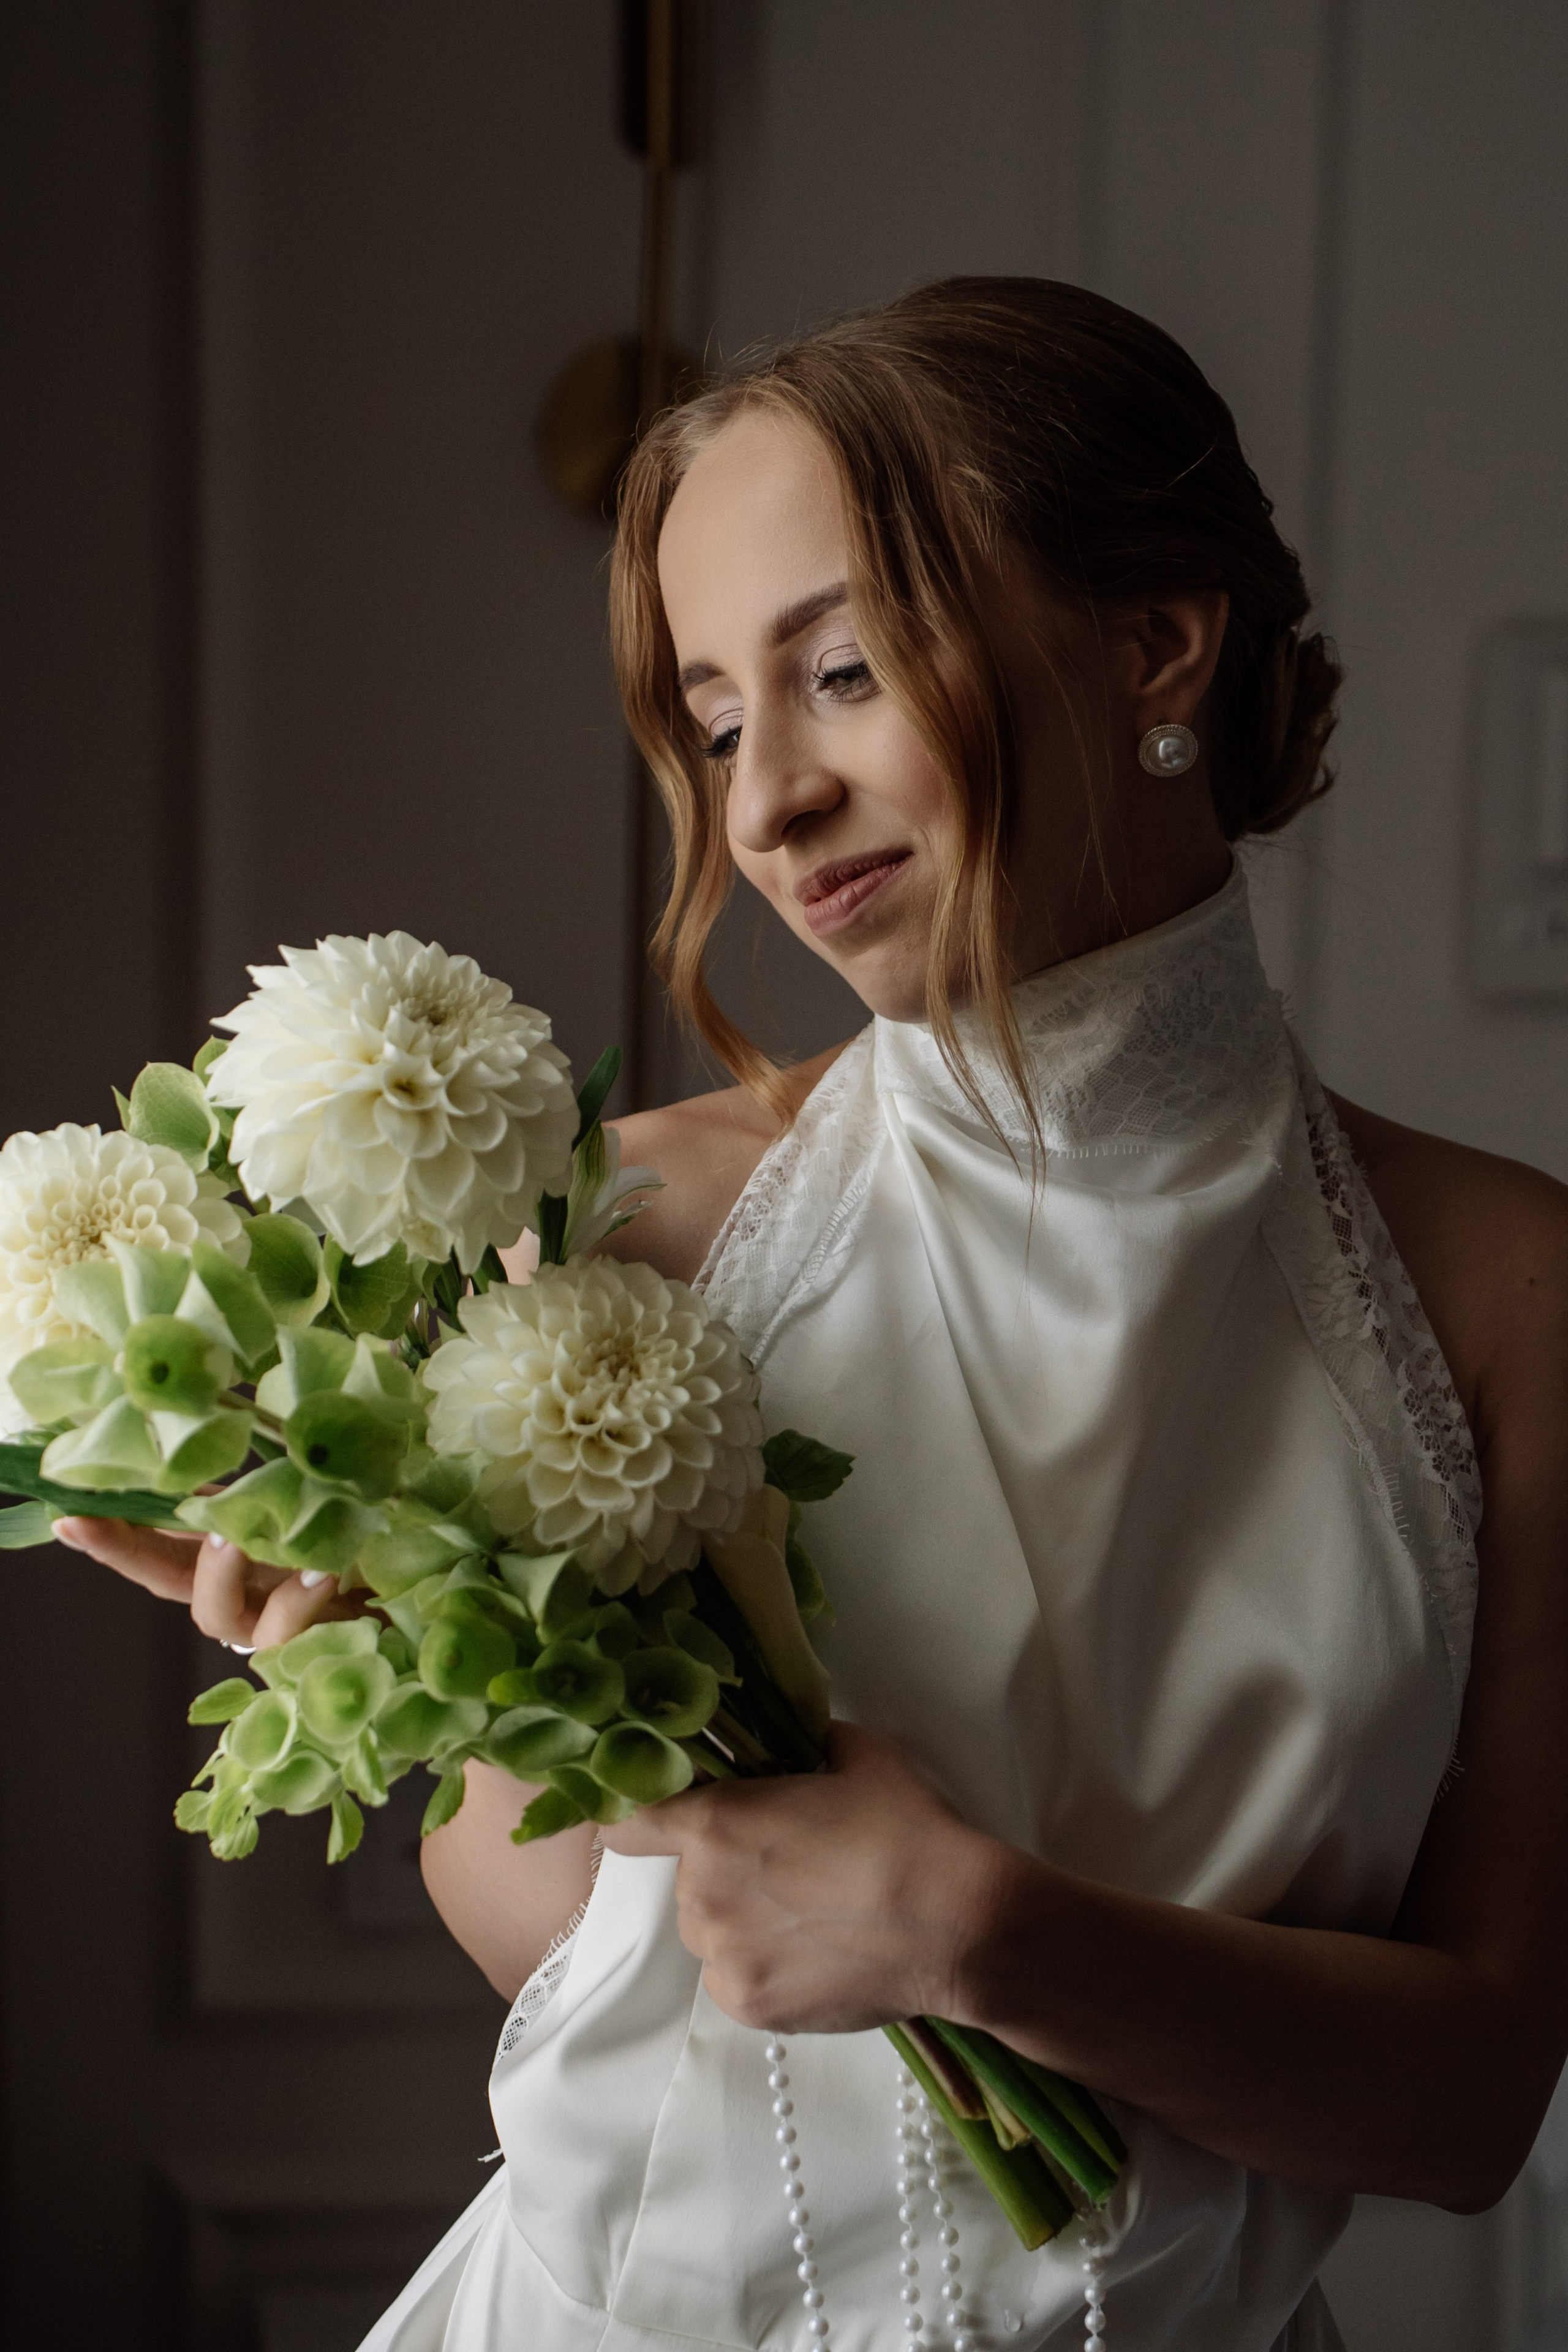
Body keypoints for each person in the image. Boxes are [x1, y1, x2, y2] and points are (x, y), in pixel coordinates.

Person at [60, 279, 1568, 2352]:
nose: (763, 811)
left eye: (841, 672)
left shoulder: (1509, 1291)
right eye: (713, 722)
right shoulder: (635, 1228)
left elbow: (1477, 2102)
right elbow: (569, 1969)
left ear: (1156, 641)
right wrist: (427, 1663)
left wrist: (983, 1933)